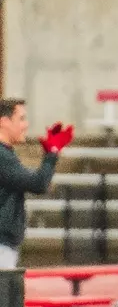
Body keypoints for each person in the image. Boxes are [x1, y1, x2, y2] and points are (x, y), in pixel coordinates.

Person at [0, 100, 72, 269]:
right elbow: (38, 184)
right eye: (21, 119)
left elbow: (34, 180)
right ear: (4, 122)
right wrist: (52, 153)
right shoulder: (2, 156)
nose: (26, 125)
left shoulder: (6, 155)